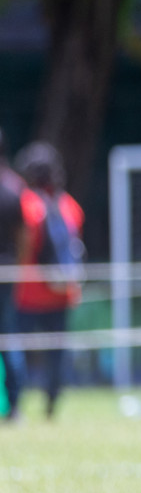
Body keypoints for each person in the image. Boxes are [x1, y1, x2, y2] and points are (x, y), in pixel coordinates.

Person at [13, 142, 84, 419]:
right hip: (62, 291)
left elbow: (24, 246)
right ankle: (52, 403)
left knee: (13, 347)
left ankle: (15, 404)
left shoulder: (27, 204)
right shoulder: (71, 206)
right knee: (56, 352)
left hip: (27, 292)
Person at [0, 128, 26, 420]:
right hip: (7, 272)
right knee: (9, 338)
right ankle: (15, 407)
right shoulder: (14, 187)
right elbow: (25, 235)